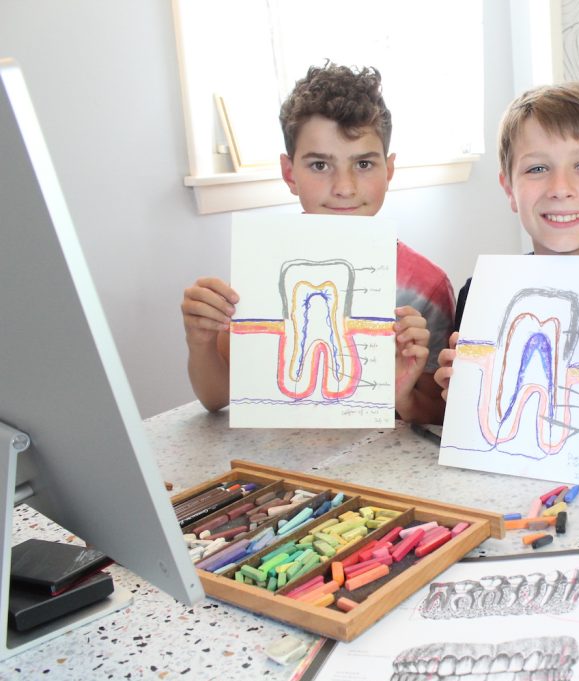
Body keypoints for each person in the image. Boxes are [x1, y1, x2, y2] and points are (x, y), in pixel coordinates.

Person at [181, 63, 454, 425]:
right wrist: (199, 340)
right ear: (289, 173)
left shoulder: (425, 287)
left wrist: (401, 391)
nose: (344, 187)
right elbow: (216, 397)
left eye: (363, 164)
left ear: (388, 171)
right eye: (320, 166)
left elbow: (439, 412)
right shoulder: (262, 267)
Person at [433, 83, 579, 454]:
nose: (561, 187)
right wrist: (464, 406)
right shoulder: (481, 297)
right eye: (538, 168)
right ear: (509, 189)